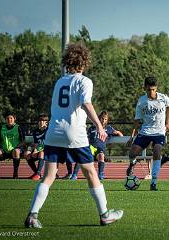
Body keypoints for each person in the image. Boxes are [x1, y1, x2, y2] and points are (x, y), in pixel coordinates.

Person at [24, 43, 123, 228]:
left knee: (49, 176)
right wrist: (99, 126)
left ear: (67, 61)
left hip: (53, 132)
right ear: (84, 62)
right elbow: (86, 103)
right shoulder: (84, 81)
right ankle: (105, 215)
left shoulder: (60, 81)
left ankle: (32, 215)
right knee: (91, 173)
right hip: (74, 133)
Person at [126, 76, 169, 191]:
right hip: (145, 132)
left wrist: (168, 123)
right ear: (145, 88)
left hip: (159, 132)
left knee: (157, 150)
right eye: (149, 90)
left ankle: (153, 182)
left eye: (153, 90)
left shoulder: (163, 98)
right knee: (132, 153)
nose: (151, 92)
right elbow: (137, 120)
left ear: (156, 88)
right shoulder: (142, 101)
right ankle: (132, 164)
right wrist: (132, 137)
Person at [70, 111, 123, 180]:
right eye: (102, 118)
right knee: (81, 156)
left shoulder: (108, 128)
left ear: (107, 120)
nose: (103, 120)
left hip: (100, 149)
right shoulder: (92, 128)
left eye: (105, 119)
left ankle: (100, 174)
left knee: (101, 156)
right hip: (91, 148)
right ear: (99, 118)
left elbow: (121, 135)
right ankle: (74, 175)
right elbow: (85, 138)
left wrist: (118, 132)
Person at [0, 113, 25, 179]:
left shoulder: (19, 127)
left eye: (11, 118)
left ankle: (15, 174)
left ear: (14, 119)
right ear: (5, 119)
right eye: (7, 118)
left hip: (15, 149)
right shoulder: (1, 128)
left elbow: (23, 141)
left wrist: (17, 147)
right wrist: (0, 147)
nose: (9, 120)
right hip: (4, 149)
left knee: (16, 151)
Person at [24, 113, 49, 181]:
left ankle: (37, 174)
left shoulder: (49, 130)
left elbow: (50, 144)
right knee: (26, 153)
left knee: (41, 153)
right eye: (39, 121)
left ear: (46, 122)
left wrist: (38, 150)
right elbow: (36, 143)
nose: (41, 122)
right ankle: (37, 173)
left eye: (43, 121)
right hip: (38, 150)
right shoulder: (35, 131)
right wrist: (32, 149)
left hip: (48, 151)